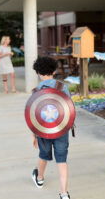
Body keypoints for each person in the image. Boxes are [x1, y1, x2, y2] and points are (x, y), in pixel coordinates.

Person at [31, 57, 71, 199]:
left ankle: (40, 178)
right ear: (54, 71)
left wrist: (34, 135)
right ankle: (64, 193)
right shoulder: (63, 87)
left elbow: (33, 115)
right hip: (61, 129)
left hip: (43, 131)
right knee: (62, 160)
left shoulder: (36, 90)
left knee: (44, 155)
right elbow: (69, 109)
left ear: (38, 73)